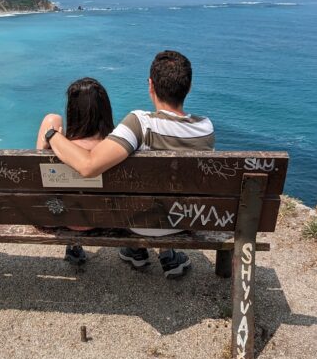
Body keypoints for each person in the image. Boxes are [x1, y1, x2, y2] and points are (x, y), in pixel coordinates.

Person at [41, 50, 214, 278]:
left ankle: (136, 250)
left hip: (141, 223)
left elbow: (89, 166)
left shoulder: (140, 124)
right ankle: (162, 253)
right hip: (188, 219)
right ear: (189, 87)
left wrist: (52, 135)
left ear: (150, 85)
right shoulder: (206, 127)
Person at [36, 77, 116, 265]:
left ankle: (73, 245)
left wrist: (52, 141)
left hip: (58, 216)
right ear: (105, 110)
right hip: (103, 219)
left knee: (52, 119)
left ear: (72, 111)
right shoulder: (116, 148)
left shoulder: (60, 149)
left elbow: (41, 186)